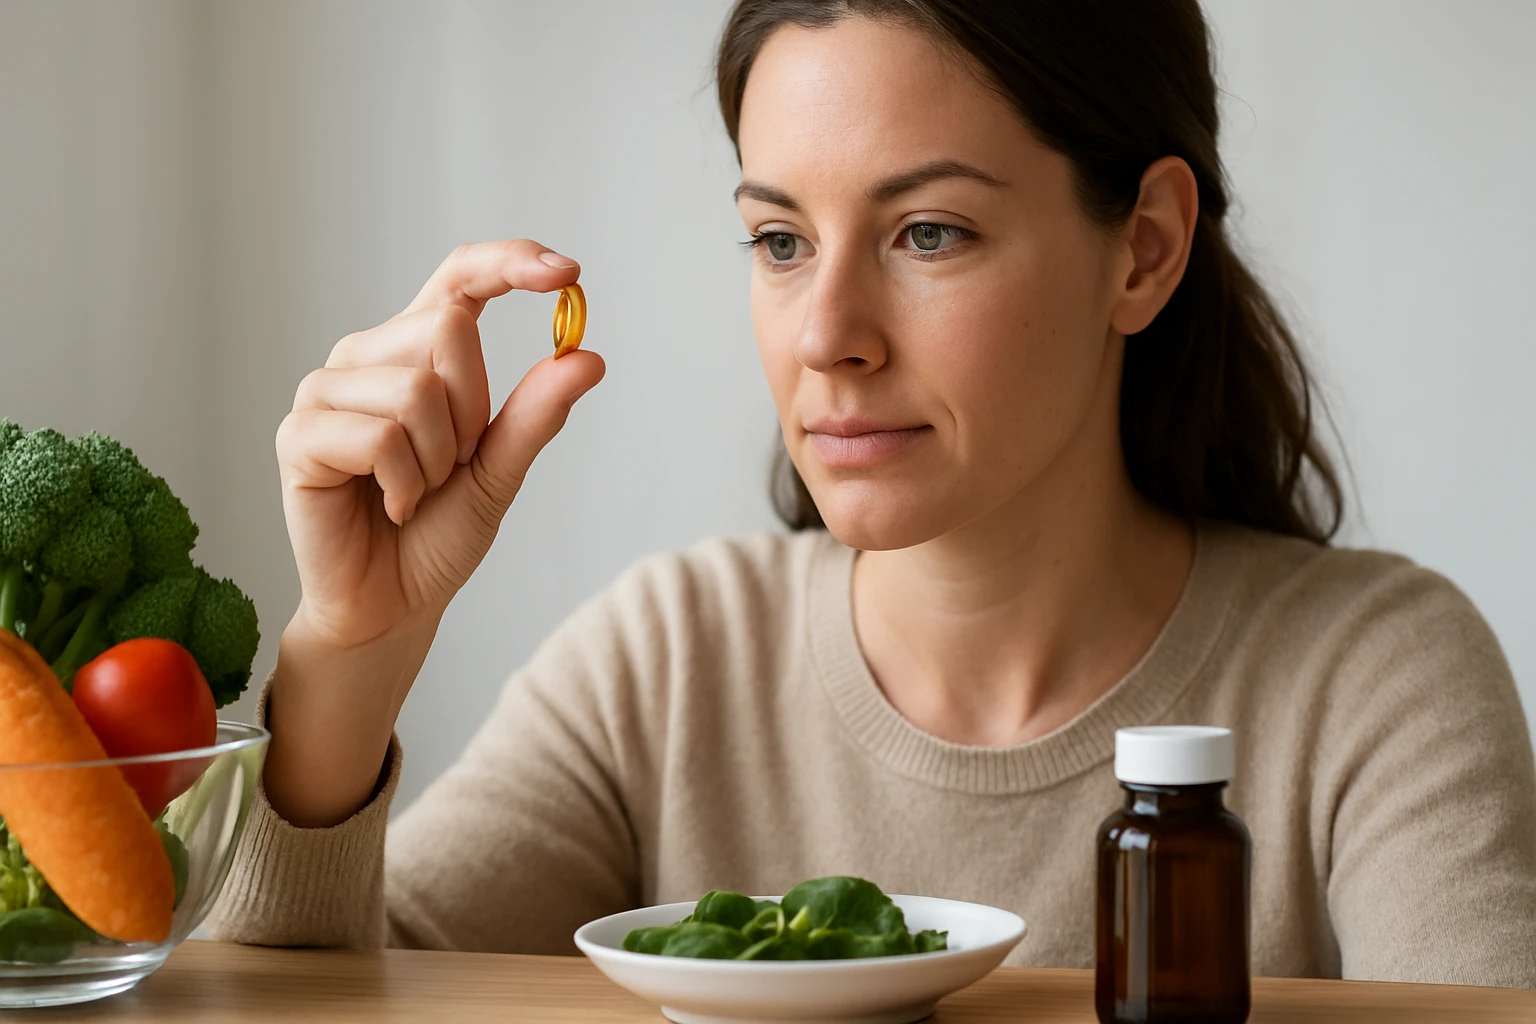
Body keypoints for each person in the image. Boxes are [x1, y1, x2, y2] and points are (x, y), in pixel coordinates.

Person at [206, 0, 1536, 986]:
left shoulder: (1373, 682)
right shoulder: (669, 660)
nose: (826, 332)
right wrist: (356, 652)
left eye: (927, 233)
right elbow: (293, 1003)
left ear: (1143, 251)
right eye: (781, 241)